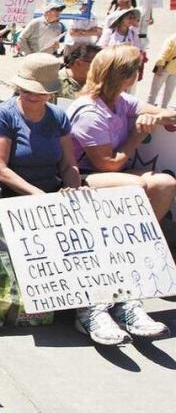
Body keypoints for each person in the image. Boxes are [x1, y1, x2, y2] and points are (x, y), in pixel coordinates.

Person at [65, 45, 175, 345]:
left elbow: (164, 113)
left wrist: (159, 116)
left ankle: (135, 249)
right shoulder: (90, 111)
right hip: (82, 177)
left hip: (112, 174)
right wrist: (137, 136)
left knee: (164, 184)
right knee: (134, 187)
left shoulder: (120, 101)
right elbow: (109, 162)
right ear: (123, 76)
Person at [0, 54, 81, 196]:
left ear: (50, 93)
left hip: (49, 191)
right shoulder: (1, 116)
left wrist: (73, 190)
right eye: (26, 91)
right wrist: (38, 195)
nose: (33, 97)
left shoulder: (58, 116)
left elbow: (68, 165)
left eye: (40, 92)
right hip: (5, 192)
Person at [148, 33, 176, 108]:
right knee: (168, 93)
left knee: (155, 91)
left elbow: (162, 54)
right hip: (165, 68)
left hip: (166, 68)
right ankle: (162, 109)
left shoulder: (171, 39)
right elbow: (162, 55)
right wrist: (160, 66)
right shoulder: (172, 39)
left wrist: (160, 65)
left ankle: (149, 108)